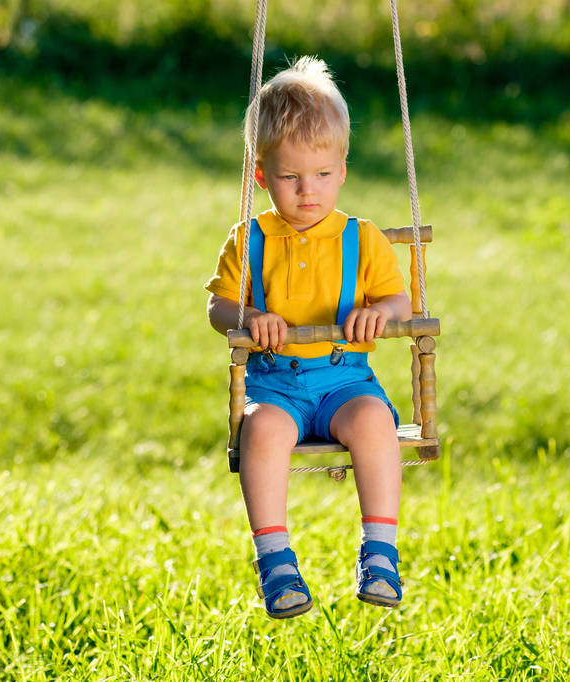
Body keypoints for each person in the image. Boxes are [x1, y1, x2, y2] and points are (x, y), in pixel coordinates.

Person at [204, 56, 410, 618]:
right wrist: (246, 318)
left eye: (322, 175)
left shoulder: (362, 238)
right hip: (276, 386)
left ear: (342, 170)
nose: (308, 191)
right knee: (262, 432)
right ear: (261, 175)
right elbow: (217, 307)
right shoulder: (250, 239)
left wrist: (382, 315)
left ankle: (381, 552)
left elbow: (400, 301)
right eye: (291, 178)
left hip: (345, 380)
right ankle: (275, 559)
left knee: (375, 422)